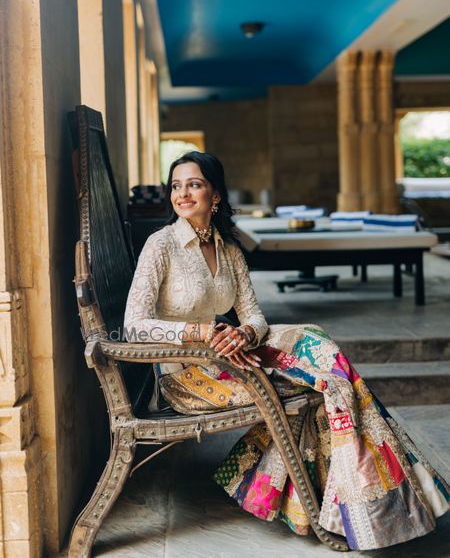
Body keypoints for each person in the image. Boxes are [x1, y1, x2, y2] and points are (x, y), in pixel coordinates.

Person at [124, 151, 450, 551]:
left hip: (231, 354)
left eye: (194, 184)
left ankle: (361, 505)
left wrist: (244, 332)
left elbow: (256, 316)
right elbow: (133, 324)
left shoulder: (228, 249)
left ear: (215, 195)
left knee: (326, 359)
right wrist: (204, 332)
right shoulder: (161, 245)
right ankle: (354, 506)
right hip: (188, 375)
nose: (183, 194)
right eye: (176, 185)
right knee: (323, 386)